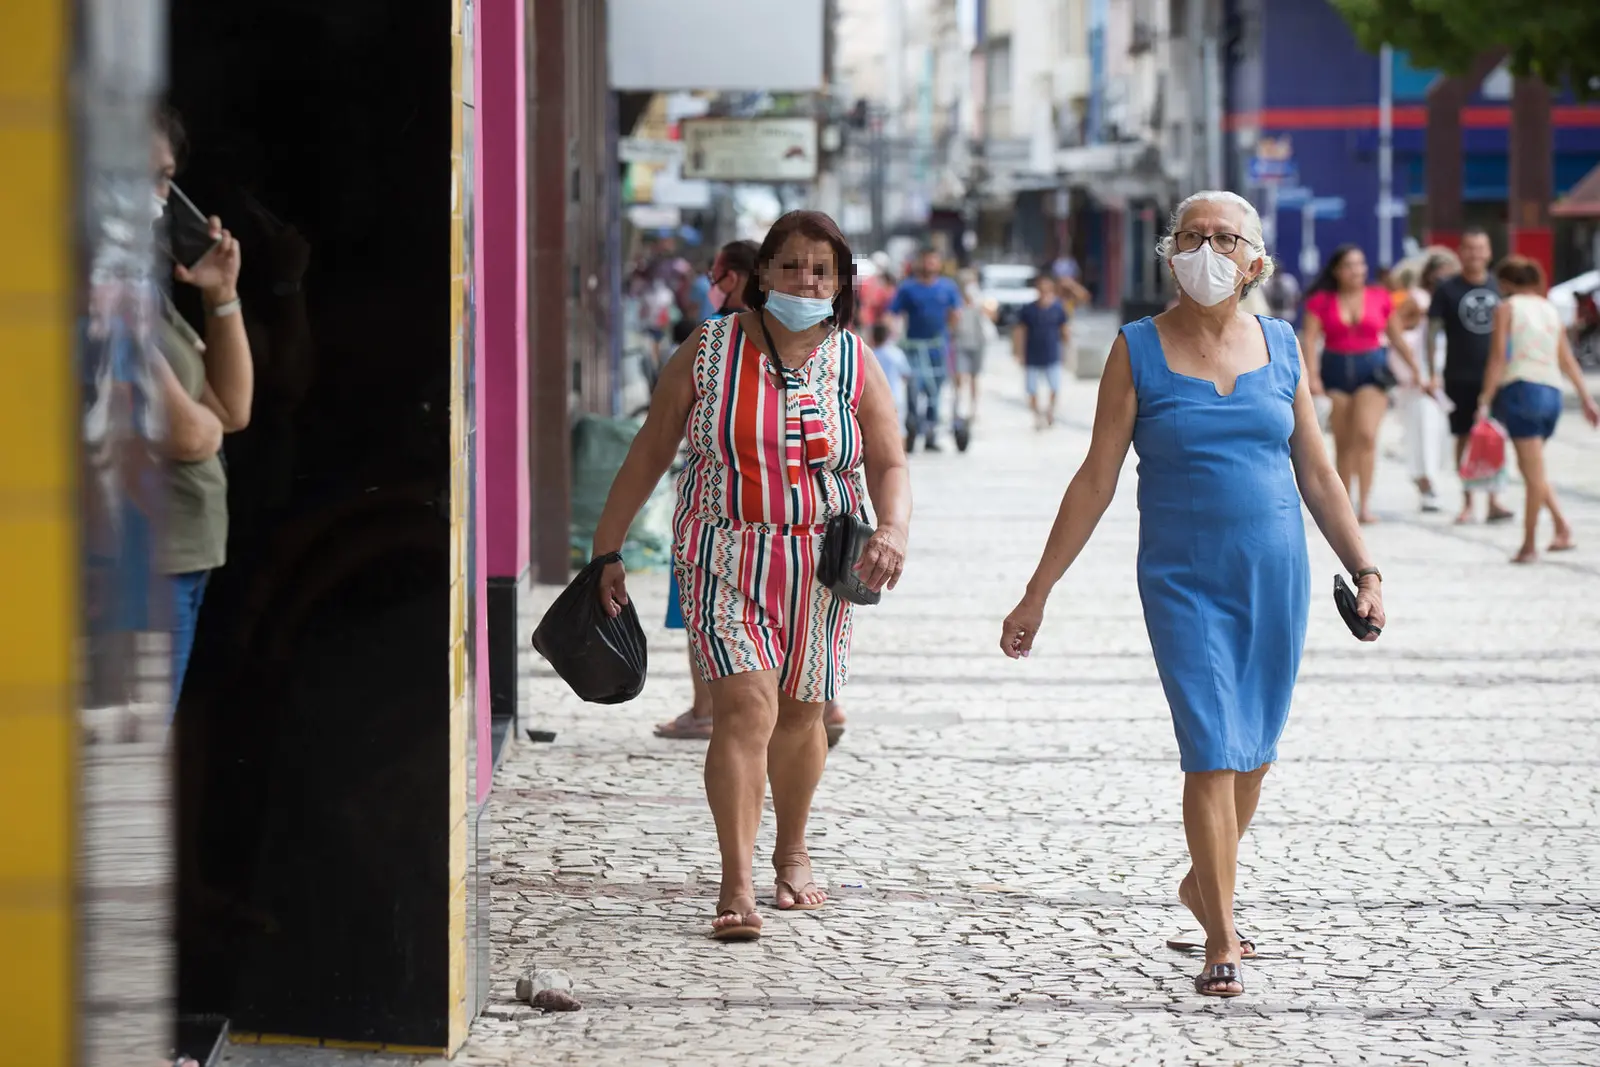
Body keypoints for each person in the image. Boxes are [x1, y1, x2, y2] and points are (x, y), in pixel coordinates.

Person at [1000, 190, 1385, 999]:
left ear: (1255, 260)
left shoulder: (1282, 346)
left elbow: (1318, 473)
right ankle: (1221, 935)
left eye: (1224, 237)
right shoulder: (1136, 348)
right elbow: (1096, 478)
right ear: (1170, 251)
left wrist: (1366, 568)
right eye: (1192, 235)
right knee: (1212, 745)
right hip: (1181, 579)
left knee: (1257, 748)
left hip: (1275, 573)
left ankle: (1199, 880)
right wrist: (1037, 591)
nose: (1206, 248)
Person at [593, 210, 912, 940]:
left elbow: (890, 462)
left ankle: (791, 849)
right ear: (764, 273)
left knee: (802, 714)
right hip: (723, 555)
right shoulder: (708, 349)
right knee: (745, 709)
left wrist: (893, 529)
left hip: (822, 562)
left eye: (822, 270)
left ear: (839, 284)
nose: (807, 279)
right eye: (794, 265)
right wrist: (606, 548)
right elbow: (649, 448)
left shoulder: (856, 363)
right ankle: (736, 879)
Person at [151, 106, 254, 706]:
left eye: (164, 178)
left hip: (184, 556)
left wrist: (221, 294)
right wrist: (203, 423)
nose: (158, 196)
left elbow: (231, 409)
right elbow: (193, 436)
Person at [1477, 255, 1600, 562]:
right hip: (1552, 392)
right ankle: (1561, 526)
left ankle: (1529, 544)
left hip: (1522, 389)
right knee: (1534, 469)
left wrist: (1485, 398)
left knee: (1532, 474)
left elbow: (1498, 358)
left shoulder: (1506, 308)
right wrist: (1586, 398)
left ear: (1505, 283)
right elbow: (1567, 358)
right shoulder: (1548, 308)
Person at [1300, 244, 1422, 524]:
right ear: (1337, 270)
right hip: (1335, 371)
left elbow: (1396, 337)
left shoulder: (1380, 296)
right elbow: (1309, 340)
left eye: (1361, 264)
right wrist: (1313, 377)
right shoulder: (1320, 301)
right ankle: (1345, 506)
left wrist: (1415, 369)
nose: (1357, 270)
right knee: (1343, 443)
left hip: (1372, 372)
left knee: (1366, 436)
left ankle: (1365, 505)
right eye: (1350, 265)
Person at [1430, 228, 1511, 525]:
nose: (1475, 254)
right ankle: (1467, 501)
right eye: (1470, 248)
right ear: (1461, 252)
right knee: (1464, 437)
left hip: (1496, 376)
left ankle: (1493, 500)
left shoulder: (1498, 287)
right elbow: (1433, 331)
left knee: (1494, 438)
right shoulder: (1447, 288)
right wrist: (1431, 371)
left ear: (1489, 252)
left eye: (1481, 248)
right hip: (1458, 375)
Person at [1392, 249, 1459, 512]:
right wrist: (1415, 368)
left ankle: (1428, 479)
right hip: (1419, 379)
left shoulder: (1450, 299)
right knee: (1423, 430)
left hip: (1443, 376)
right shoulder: (1418, 299)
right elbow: (1394, 327)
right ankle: (1426, 482)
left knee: (1439, 434)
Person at [889, 248, 962, 451]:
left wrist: (954, 331)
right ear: (920, 263)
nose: (930, 265)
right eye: (927, 261)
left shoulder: (947, 288)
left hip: (938, 348)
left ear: (939, 264)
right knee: (914, 389)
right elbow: (893, 314)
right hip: (913, 348)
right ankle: (913, 427)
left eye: (934, 261)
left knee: (936, 391)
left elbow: (956, 313)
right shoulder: (908, 288)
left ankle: (931, 432)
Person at [1013, 274, 1071, 429]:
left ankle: (1050, 411)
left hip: (1051, 353)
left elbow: (1064, 329)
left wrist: (1067, 350)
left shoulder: (1058, 308)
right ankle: (1037, 416)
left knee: (1054, 387)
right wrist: (1018, 352)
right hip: (1032, 353)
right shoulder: (1028, 309)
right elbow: (1020, 331)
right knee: (1031, 389)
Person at [951, 269, 994, 429]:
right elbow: (951, 321)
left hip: (978, 342)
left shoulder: (980, 298)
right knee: (960, 376)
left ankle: (974, 407)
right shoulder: (955, 300)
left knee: (975, 377)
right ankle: (958, 406)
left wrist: (978, 302)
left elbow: (991, 314)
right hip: (961, 342)